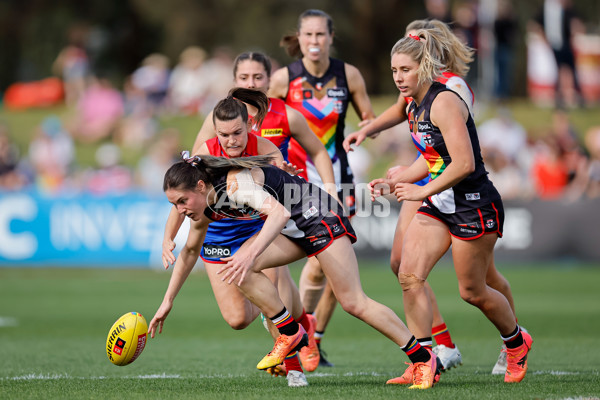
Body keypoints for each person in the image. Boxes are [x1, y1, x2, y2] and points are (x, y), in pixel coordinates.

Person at [150, 94, 440, 390]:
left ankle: (422, 358)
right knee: (238, 268)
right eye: (176, 205)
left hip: (319, 217)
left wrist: (250, 254)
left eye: (183, 202)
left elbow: (279, 213)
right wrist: (167, 301)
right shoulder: (205, 201)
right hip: (294, 226)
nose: (181, 210)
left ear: (199, 186)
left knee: (353, 302)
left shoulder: (234, 184)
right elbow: (189, 251)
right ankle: (292, 332)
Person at [343, 19, 525, 377]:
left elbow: (464, 162)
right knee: (409, 276)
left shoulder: (445, 99)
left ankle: (516, 342)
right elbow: (432, 156)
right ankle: (425, 362)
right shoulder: (413, 102)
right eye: (394, 70)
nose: (397, 78)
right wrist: (395, 179)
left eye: (404, 70)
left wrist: (421, 188)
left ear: (424, 65)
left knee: (473, 290)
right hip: (440, 202)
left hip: (472, 203)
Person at [166, 51, 341, 374]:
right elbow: (190, 182)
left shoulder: (285, 115)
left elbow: (313, 152)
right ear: (235, 82)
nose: (251, 83)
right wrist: (170, 234)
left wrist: (326, 190)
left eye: (257, 77)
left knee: (279, 283)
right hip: (226, 222)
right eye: (244, 78)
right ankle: (293, 327)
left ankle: (293, 358)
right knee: (238, 317)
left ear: (269, 80)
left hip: (267, 212)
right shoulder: (218, 118)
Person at [268, 9, 375, 366]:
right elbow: (266, 124)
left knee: (333, 268)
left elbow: (369, 119)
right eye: (308, 35)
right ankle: (306, 334)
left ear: (331, 37)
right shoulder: (283, 79)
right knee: (318, 263)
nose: (314, 42)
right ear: (298, 38)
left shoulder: (349, 75)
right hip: (297, 183)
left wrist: (368, 131)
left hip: (339, 181)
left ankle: (314, 337)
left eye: (320, 35)